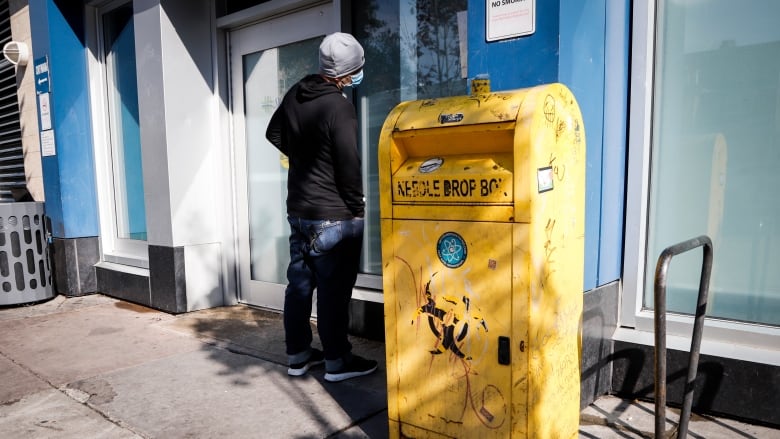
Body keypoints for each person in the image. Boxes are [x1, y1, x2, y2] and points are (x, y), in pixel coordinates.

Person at [265, 32, 377, 383]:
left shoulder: (297, 92)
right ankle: (337, 362)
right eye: (357, 69)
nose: (359, 74)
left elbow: (275, 134)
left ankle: (298, 355)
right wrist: (357, 207)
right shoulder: (339, 107)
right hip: (334, 214)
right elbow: (348, 164)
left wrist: (303, 158)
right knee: (333, 291)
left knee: (299, 284)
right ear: (347, 73)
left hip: (300, 209)